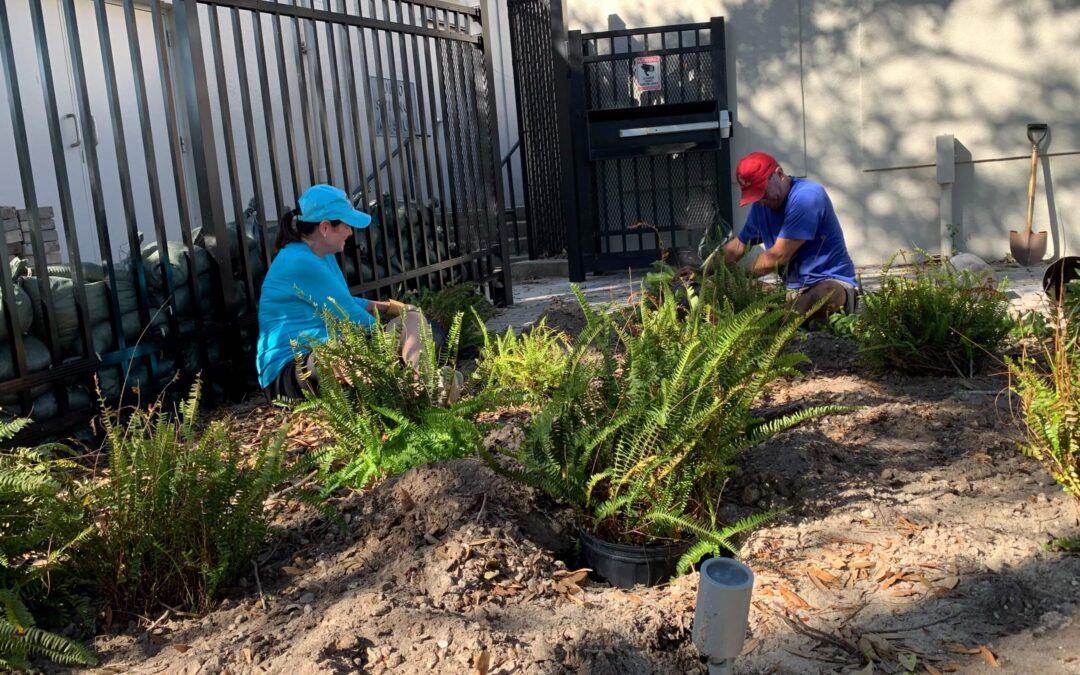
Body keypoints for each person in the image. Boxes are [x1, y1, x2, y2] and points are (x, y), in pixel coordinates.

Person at [256, 184, 430, 401]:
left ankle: (423, 388)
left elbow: (340, 302)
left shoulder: (322, 254)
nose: (350, 232)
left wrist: (391, 308)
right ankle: (403, 395)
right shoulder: (300, 262)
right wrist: (389, 341)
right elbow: (351, 317)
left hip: (325, 356)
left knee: (411, 319)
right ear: (325, 227)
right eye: (346, 225)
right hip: (289, 373)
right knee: (342, 352)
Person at [720, 151, 857, 325]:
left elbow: (778, 257)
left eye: (762, 192)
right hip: (791, 293)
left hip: (834, 286)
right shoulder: (762, 205)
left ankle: (783, 328)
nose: (761, 200)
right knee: (730, 292)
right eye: (755, 196)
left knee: (824, 293)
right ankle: (786, 319)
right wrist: (702, 271)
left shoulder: (807, 197)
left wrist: (735, 275)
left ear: (779, 173)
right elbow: (738, 245)